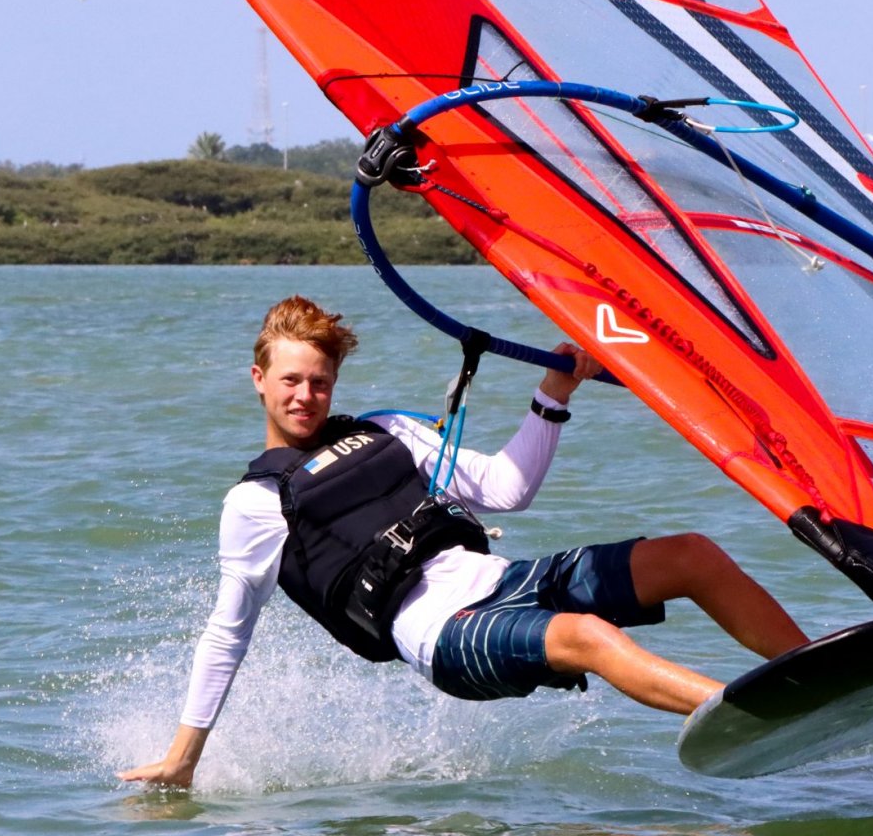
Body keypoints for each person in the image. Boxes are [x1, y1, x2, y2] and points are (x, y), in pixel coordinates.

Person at [119, 295, 808, 788]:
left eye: (319, 381)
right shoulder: (255, 503)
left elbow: (506, 488)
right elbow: (226, 634)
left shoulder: (386, 430)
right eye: (291, 380)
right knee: (590, 636)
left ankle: (817, 678)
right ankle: (767, 714)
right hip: (440, 633)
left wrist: (554, 391)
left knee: (689, 554)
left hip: (495, 579)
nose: (306, 395)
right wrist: (186, 756)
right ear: (259, 380)